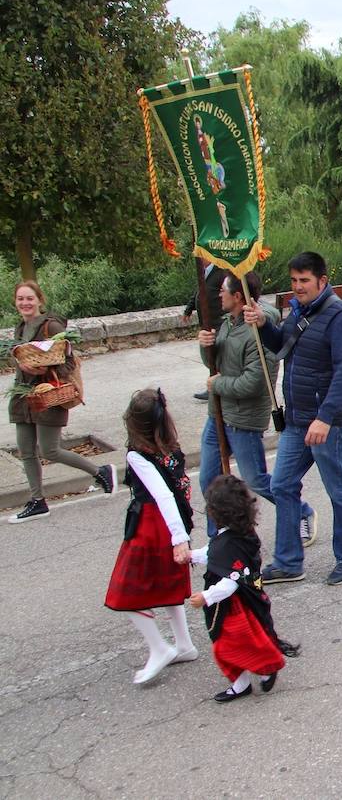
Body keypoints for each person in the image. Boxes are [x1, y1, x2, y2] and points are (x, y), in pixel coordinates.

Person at [244, 252, 342, 587]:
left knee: (338, 489)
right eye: (294, 281)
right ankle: (288, 562)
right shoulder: (299, 311)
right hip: (298, 421)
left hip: (328, 423)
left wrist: (325, 418)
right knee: (282, 485)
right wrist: (264, 325)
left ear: (322, 281)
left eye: (304, 281)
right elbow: (283, 344)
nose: (298, 287)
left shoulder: (341, 317)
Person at [197, 271, 316, 544]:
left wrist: (217, 385)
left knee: (257, 480)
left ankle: (301, 511)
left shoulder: (258, 332)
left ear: (238, 296)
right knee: (208, 481)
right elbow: (213, 365)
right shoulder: (228, 322)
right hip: (217, 415)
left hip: (243, 418)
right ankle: (219, 537)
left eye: (223, 291)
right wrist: (206, 347)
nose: (218, 295)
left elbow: (254, 383)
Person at [104, 388, 197, 685]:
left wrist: (178, 537)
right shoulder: (171, 446)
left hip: (151, 527)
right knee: (168, 586)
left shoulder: (138, 455)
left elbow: (163, 495)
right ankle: (183, 644)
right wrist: (180, 533)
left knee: (126, 591)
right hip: (173, 525)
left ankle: (159, 647)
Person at [8, 281, 116, 523]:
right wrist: (21, 365)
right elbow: (19, 358)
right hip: (23, 396)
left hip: (48, 395)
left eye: (29, 298)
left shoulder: (51, 326)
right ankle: (38, 501)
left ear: (39, 300)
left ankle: (100, 472)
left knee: (49, 450)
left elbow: (69, 363)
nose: (25, 303)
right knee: (26, 451)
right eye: (20, 299)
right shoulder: (20, 328)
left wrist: (41, 369)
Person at [189, 475, 290, 703]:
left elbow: (230, 581)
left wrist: (206, 596)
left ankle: (265, 668)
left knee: (230, 646)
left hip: (235, 608)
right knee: (234, 644)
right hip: (237, 602)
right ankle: (240, 683)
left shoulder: (230, 542)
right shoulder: (237, 534)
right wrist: (191, 556)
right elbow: (213, 553)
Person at [183, 260, 229, 402]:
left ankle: (216, 387)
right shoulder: (205, 271)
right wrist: (189, 308)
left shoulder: (220, 271)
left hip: (218, 321)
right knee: (209, 357)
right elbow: (200, 292)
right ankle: (214, 385)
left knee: (217, 357)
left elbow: (228, 292)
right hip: (208, 322)